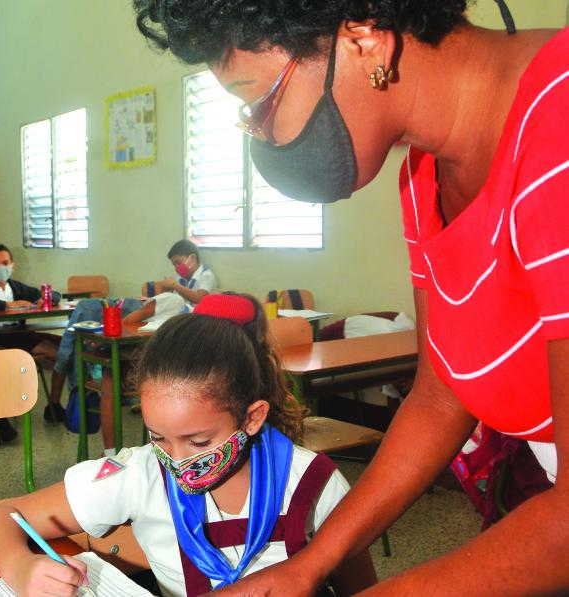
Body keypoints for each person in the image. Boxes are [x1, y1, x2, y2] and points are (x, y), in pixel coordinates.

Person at [133, 0, 569, 594]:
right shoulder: (423, 176)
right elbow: (440, 399)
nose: (259, 134)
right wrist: (309, 564)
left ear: (365, 37)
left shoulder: (559, 121)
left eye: (258, 103)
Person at [0, 294, 376, 596]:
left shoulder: (314, 482)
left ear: (252, 417)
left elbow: (361, 585)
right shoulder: (140, 474)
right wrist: (21, 567)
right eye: (157, 436)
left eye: (199, 441)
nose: (177, 460)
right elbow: (0, 518)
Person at [35, 293, 187, 457]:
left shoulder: (190, 326)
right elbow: (127, 322)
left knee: (114, 379)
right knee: (110, 377)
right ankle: (111, 452)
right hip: (132, 352)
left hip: (154, 364)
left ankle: (140, 450)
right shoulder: (174, 301)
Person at [0, 244, 62, 442]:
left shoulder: (17, 287)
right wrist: (8, 305)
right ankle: (1, 419)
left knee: (62, 355)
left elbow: (54, 295)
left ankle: (54, 405)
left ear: (12, 265)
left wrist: (43, 299)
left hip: (18, 336)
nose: (0, 268)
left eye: (5, 263)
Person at [159, 239, 217, 307]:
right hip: (183, 313)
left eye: (178, 263)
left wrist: (175, 285)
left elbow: (200, 298)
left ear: (192, 258)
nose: (176, 268)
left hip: (199, 315)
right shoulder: (179, 276)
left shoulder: (206, 275)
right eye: (174, 265)